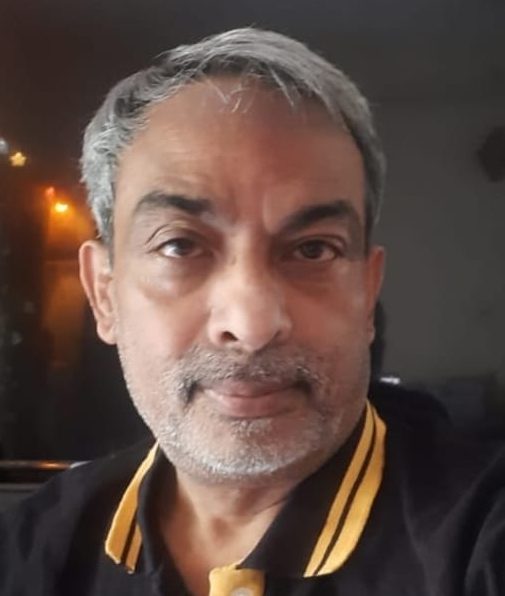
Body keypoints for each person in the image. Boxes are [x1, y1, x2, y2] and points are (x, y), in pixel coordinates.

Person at [1, 28, 504, 596]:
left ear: (367, 292)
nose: (251, 324)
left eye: (313, 249)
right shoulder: (28, 548)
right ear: (104, 294)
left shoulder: (481, 540)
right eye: (180, 245)